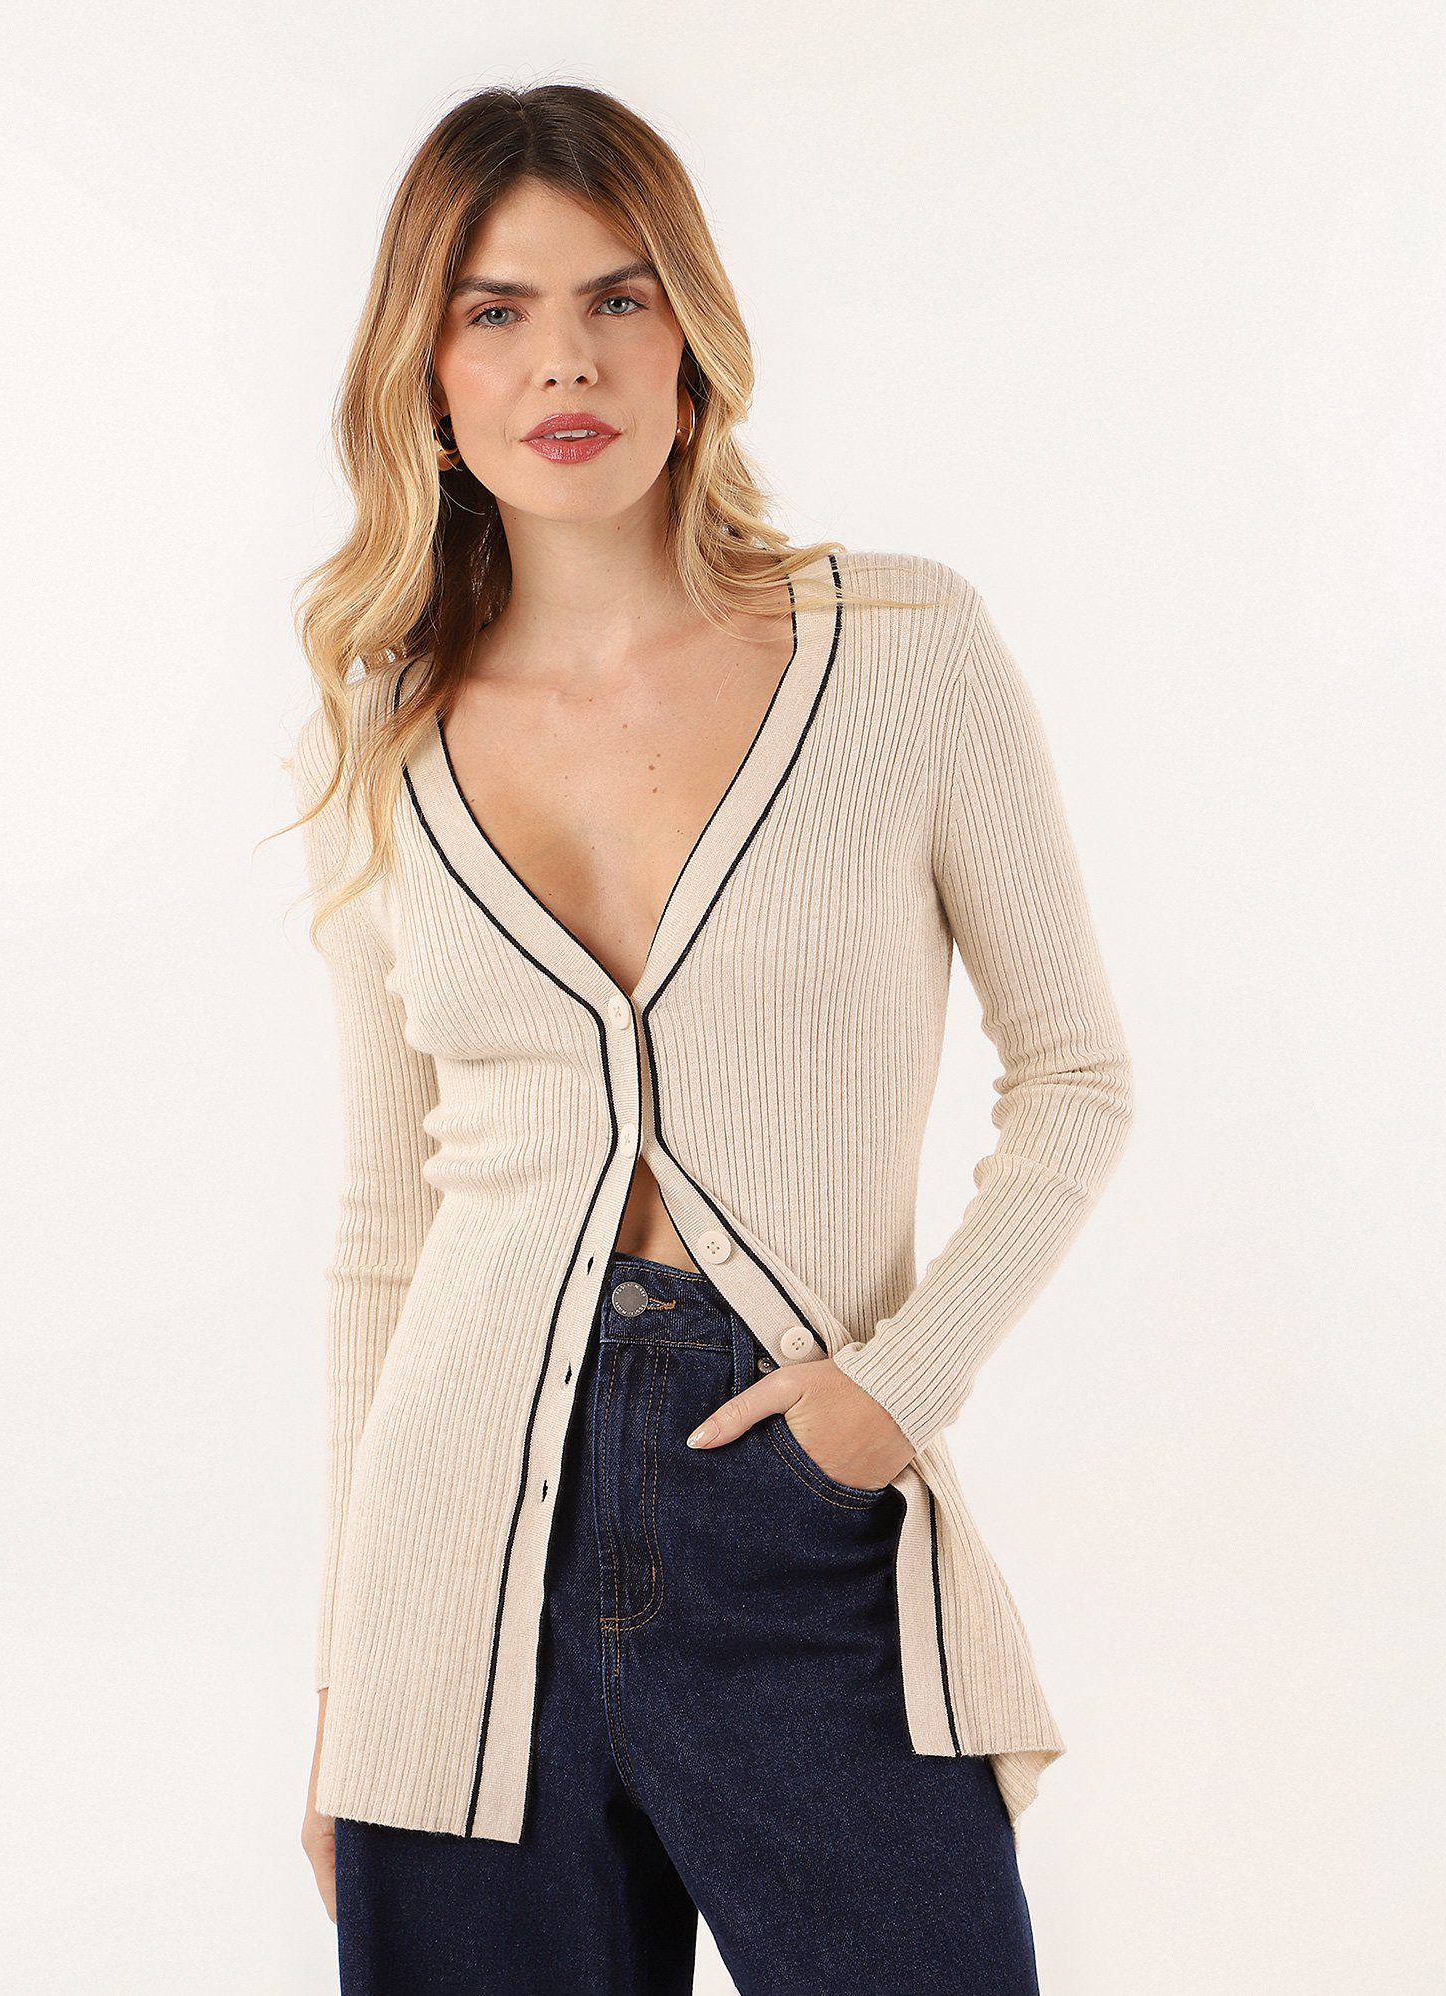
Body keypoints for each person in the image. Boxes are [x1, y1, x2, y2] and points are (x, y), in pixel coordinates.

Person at [284, 83, 1134, 1996]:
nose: (564, 360)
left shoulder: (902, 650)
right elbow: (380, 1236)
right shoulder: (379, 730)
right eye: (495, 310)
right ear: (425, 368)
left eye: (619, 297)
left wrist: (888, 1397)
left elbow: (1076, 1079)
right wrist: (351, 1686)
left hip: (794, 1508)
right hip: (453, 1567)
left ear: (693, 338)